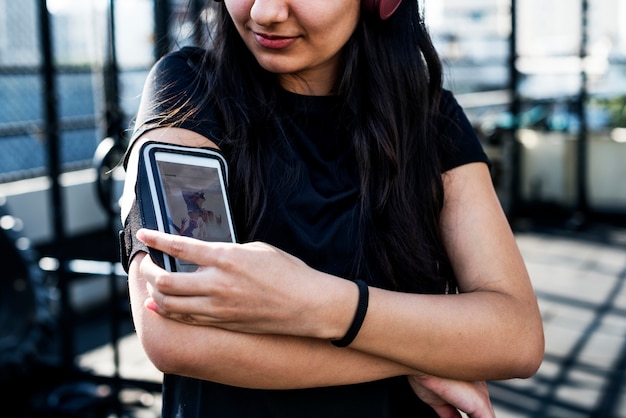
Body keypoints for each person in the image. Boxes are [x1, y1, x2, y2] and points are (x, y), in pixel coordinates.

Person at [119, 0, 545, 416]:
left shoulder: (431, 118)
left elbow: (517, 336)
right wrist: (425, 354)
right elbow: (176, 332)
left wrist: (322, 304)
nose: (265, 12)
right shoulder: (189, 87)